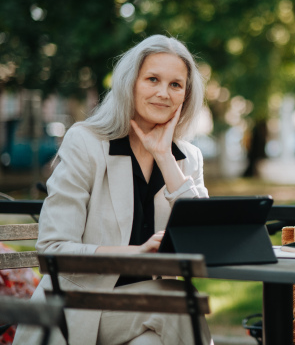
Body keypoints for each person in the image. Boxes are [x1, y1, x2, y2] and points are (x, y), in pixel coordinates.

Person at [13, 35, 212, 345]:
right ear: (129, 84)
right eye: (152, 79)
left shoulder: (187, 158)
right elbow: (53, 249)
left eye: (176, 84)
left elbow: (208, 243)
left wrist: (165, 158)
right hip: (76, 308)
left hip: (142, 319)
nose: (163, 93)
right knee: (177, 302)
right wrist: (136, 253)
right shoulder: (86, 143)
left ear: (186, 95)